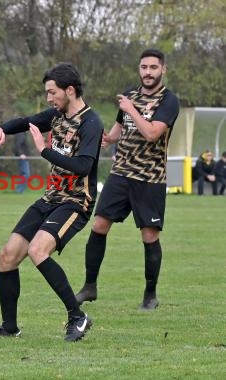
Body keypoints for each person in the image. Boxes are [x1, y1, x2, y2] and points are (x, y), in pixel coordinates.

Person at [0, 62, 103, 342]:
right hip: (50, 199)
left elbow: (83, 166)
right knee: (7, 256)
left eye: (53, 93)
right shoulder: (55, 116)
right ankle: (10, 327)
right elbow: (26, 121)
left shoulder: (91, 122)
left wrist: (45, 151)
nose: (49, 99)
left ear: (70, 90)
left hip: (76, 202)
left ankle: (78, 316)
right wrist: (1, 128)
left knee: (38, 250)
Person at [75, 49, 180, 310]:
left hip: (150, 177)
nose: (148, 72)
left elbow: (152, 133)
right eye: (144, 67)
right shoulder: (130, 95)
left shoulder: (169, 101)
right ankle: (90, 287)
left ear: (163, 70)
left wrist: (131, 109)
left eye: (153, 67)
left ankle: (150, 294)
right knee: (99, 225)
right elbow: (120, 128)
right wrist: (108, 138)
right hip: (121, 173)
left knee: (149, 235)